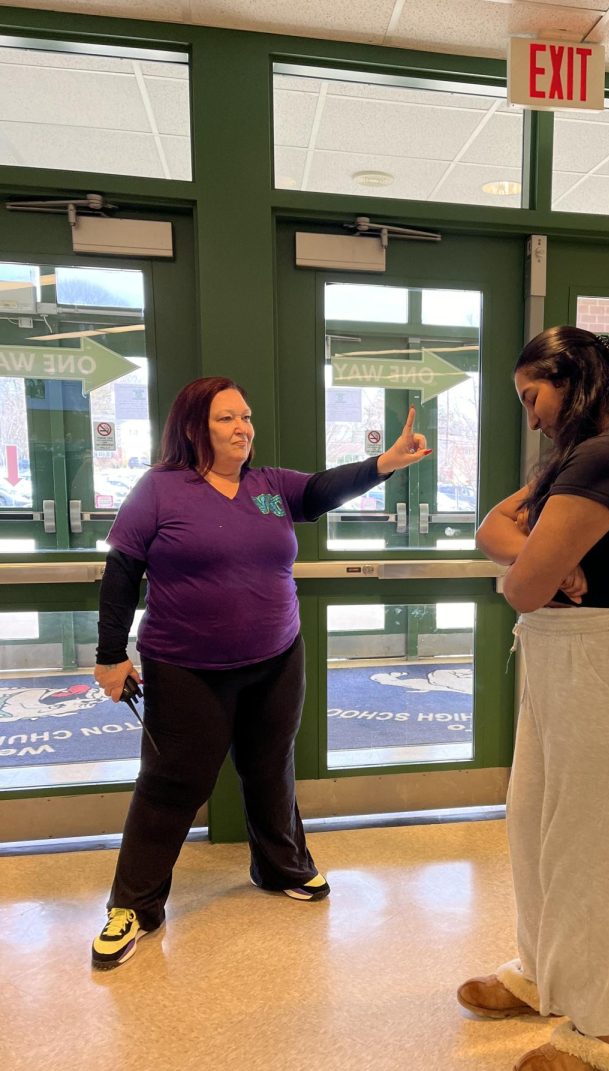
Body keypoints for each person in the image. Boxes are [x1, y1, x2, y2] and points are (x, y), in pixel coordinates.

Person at [91, 377, 429, 969]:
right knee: (173, 784)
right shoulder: (159, 490)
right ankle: (133, 907)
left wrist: (384, 464)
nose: (242, 427)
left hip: (276, 657)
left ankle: (282, 868)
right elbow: (121, 574)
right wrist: (110, 656)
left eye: (245, 416)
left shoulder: (269, 487)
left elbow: (322, 490)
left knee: (270, 769)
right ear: (194, 426)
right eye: (226, 418)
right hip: (186, 667)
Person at [457, 327, 609, 1071]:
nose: (531, 415)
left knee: (589, 854)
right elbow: (489, 528)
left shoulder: (608, 455)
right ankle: (542, 975)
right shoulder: (574, 458)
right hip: (567, 664)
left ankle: (598, 1032)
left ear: (573, 378)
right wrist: (538, 558)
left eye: (534, 396)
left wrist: (531, 565)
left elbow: (516, 585)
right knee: (534, 824)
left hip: (607, 669)